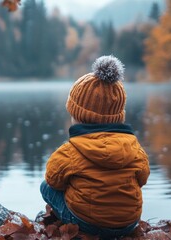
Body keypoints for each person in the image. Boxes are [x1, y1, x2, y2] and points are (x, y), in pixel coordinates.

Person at [40, 55, 150, 239]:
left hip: (87, 225)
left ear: (77, 115)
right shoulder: (134, 148)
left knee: (46, 188)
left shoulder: (70, 151)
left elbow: (52, 180)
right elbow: (143, 178)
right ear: (117, 115)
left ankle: (78, 228)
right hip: (128, 223)